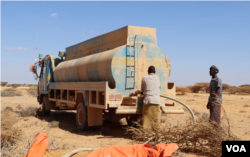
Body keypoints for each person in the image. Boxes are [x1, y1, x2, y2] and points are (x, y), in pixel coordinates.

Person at [140, 66, 161, 130]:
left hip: (147, 101)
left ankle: (146, 133)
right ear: (155, 72)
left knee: (146, 119)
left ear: (148, 71)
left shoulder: (144, 78)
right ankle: (156, 133)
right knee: (156, 119)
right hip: (156, 101)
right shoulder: (157, 77)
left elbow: (142, 90)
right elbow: (159, 88)